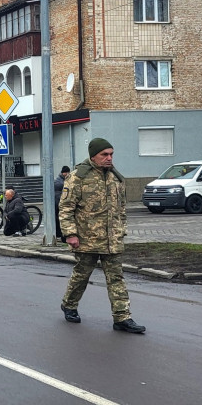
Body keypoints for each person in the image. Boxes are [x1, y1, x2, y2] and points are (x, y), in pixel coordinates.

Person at [58, 138, 145, 334]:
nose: (109, 158)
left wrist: (121, 229)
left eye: (111, 154)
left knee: (116, 278)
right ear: (93, 156)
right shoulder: (78, 177)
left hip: (112, 239)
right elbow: (65, 208)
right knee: (82, 275)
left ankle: (122, 317)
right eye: (104, 155)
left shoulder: (115, 178)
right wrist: (70, 234)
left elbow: (121, 208)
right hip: (87, 238)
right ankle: (69, 305)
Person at [54, 165, 70, 240]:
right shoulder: (61, 183)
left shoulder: (60, 180)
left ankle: (59, 234)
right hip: (58, 201)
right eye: (67, 172)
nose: (68, 174)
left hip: (58, 201)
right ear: (64, 173)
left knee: (58, 218)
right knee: (59, 218)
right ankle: (59, 234)